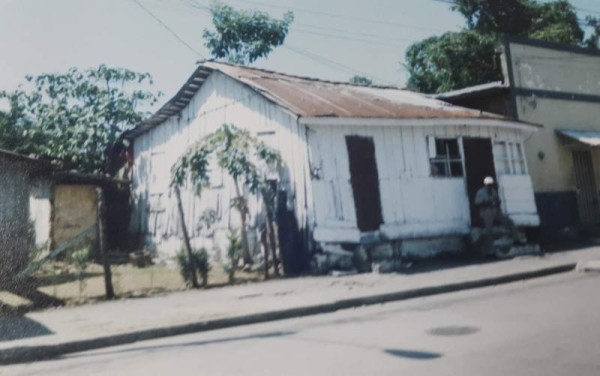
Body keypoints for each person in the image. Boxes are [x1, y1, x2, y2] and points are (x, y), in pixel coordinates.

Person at [474, 176, 523, 247]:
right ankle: (489, 248)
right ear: (485, 184)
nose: (490, 186)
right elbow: (477, 204)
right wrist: (489, 204)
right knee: (488, 229)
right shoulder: (481, 192)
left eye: (491, 184)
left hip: (495, 211)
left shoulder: (493, 191)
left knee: (509, 222)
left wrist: (496, 203)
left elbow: (497, 201)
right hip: (485, 212)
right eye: (488, 184)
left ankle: (516, 239)